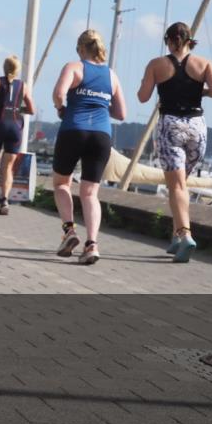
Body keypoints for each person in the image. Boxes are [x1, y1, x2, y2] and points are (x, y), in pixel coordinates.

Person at [137, 21, 212, 263]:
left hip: (171, 125)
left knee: (176, 186)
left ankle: (185, 235)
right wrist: (201, 91)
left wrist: (151, 83)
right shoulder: (204, 64)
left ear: (168, 40)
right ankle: (176, 236)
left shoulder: (156, 64)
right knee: (181, 185)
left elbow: (143, 97)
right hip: (197, 127)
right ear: (189, 41)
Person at [51, 30, 126, 265]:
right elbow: (121, 113)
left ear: (82, 49)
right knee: (90, 193)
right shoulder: (111, 76)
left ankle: (69, 231)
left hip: (73, 130)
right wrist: (100, 102)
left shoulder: (74, 67)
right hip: (101, 135)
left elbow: (58, 94)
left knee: (61, 183)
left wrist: (61, 108)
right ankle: (92, 245)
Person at [0, 56, 36, 216]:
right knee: (8, 167)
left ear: (4, 68)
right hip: (15, 127)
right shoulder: (23, 85)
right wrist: (18, 109)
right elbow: (31, 109)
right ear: (17, 70)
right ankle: (4, 201)